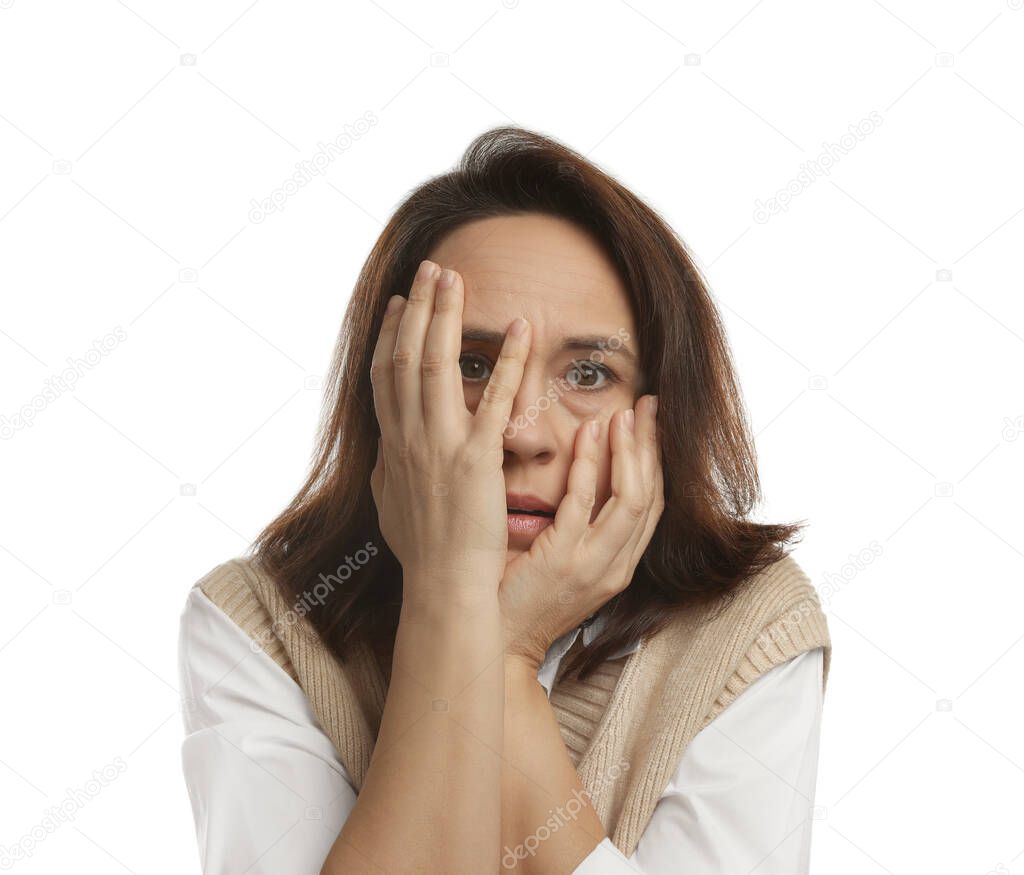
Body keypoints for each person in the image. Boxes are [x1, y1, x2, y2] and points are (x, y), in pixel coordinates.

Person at [178, 126, 832, 874]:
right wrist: (448, 591)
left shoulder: (750, 624)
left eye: (587, 374)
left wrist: (504, 659)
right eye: (470, 362)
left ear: (661, 411)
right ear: (384, 388)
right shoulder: (259, 622)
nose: (521, 431)